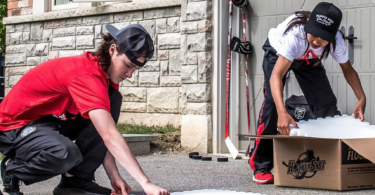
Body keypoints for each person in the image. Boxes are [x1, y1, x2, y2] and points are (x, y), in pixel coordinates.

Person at [0, 24, 170, 195]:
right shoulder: (86, 75)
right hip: (14, 126)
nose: (129, 74)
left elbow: (101, 129)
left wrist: (114, 175)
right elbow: (109, 135)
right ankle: (11, 169)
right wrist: (145, 183)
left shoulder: (106, 78)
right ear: (113, 50)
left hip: (51, 121)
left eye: (135, 68)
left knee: (112, 101)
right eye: (128, 65)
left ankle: (76, 181)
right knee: (65, 154)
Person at [248, 2, 366, 185]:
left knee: (326, 102)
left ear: (333, 35)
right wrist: (282, 112)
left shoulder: (337, 39)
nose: (317, 41)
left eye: (324, 39)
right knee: (272, 105)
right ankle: (261, 165)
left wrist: (361, 97)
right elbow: (276, 77)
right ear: (309, 25)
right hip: (278, 51)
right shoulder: (296, 35)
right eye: (315, 35)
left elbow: (348, 69)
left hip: (308, 59)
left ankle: (327, 158)